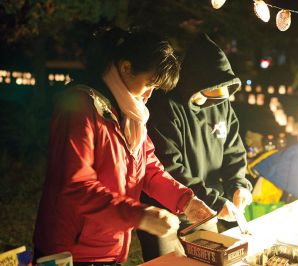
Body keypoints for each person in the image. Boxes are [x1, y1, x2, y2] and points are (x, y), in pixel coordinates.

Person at [33, 27, 215, 265]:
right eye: (149, 83)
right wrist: (140, 215)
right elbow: (78, 184)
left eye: (156, 88)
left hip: (112, 245)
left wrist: (186, 201)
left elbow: (149, 169)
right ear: (126, 67)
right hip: (72, 251)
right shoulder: (80, 107)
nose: (150, 94)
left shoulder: (131, 115)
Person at [137, 33, 253, 261]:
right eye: (208, 92)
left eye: (220, 95)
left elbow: (233, 153)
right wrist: (214, 200)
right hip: (165, 210)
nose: (213, 101)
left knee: (206, 261)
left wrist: (238, 186)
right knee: (167, 263)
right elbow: (169, 166)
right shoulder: (165, 106)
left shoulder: (222, 107)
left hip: (207, 209)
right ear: (193, 81)